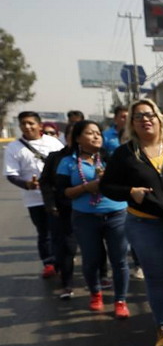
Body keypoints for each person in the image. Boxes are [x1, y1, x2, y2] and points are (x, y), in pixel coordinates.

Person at [101, 99, 163, 346]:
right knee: (157, 277)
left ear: (159, 119)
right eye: (138, 116)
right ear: (132, 124)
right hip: (144, 225)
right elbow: (106, 186)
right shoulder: (125, 153)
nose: (145, 119)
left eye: (150, 115)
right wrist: (129, 191)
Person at [54, 120, 130, 318]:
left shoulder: (111, 158)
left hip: (117, 215)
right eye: (90, 133)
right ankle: (95, 293)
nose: (96, 136)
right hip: (85, 217)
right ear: (78, 138)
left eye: (98, 133)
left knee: (119, 260)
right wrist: (85, 188)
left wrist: (110, 180)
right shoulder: (67, 162)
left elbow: (127, 183)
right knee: (91, 260)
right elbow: (63, 193)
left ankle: (120, 300)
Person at [4, 110, 65, 279]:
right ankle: (48, 264)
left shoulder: (53, 143)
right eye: (23, 123)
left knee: (59, 231)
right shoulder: (14, 147)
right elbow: (11, 174)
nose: (27, 126)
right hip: (34, 199)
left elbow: (66, 163)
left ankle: (62, 261)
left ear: (39, 125)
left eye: (31, 123)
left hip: (56, 196)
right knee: (44, 232)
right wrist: (27, 185)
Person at [39, 122, 80, 299]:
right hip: (61, 209)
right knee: (65, 247)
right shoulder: (55, 157)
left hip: (88, 210)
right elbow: (45, 182)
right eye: (73, 134)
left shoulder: (96, 157)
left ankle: (100, 277)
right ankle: (67, 283)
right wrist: (50, 205)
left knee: (92, 247)